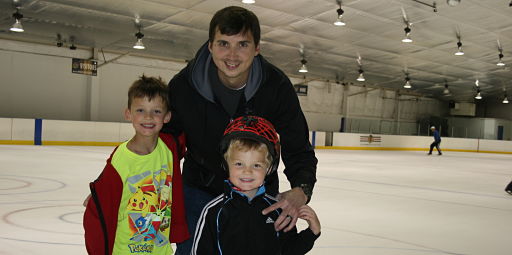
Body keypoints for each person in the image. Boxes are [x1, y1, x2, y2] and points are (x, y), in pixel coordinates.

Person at [162, 6, 318, 255]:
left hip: (256, 193)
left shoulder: (275, 86)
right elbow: (164, 142)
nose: (232, 55)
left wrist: (302, 189)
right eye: (223, 43)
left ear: (257, 48)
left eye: (242, 44)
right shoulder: (184, 86)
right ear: (210, 45)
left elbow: (297, 145)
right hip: (199, 191)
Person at [83, 75, 189, 254]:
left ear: (167, 116)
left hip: (160, 249)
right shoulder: (121, 159)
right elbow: (102, 206)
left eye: (156, 111)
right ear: (128, 114)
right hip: (126, 250)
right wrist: (98, 195)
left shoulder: (169, 148)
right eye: (140, 110)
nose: (148, 117)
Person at [191, 116, 320, 255]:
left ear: (269, 168)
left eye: (257, 165)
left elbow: (288, 250)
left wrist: (312, 232)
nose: (247, 171)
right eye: (239, 164)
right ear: (226, 164)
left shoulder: (277, 210)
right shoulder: (214, 211)